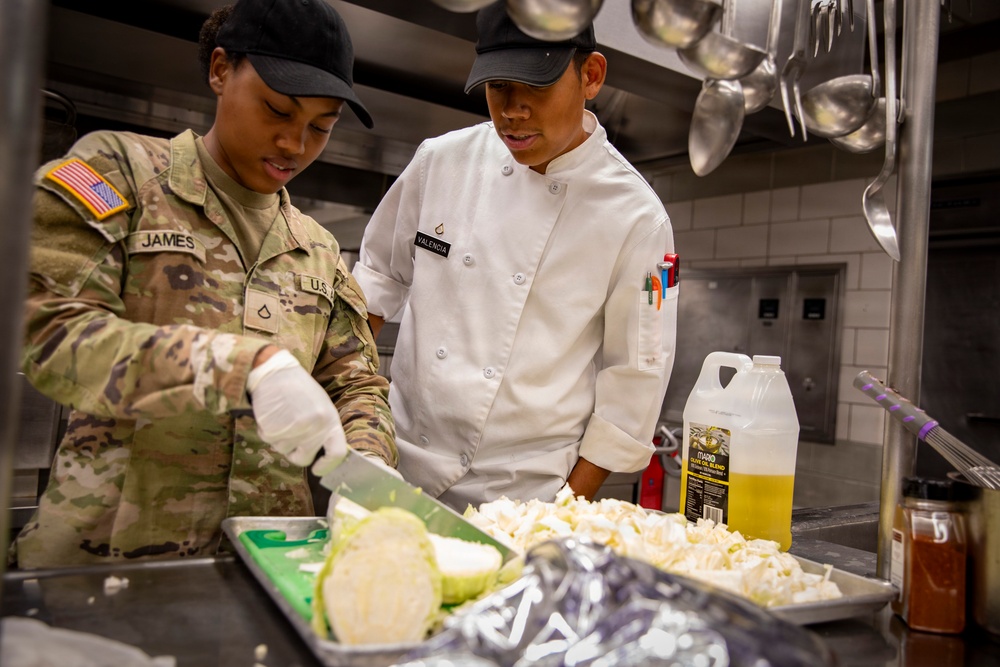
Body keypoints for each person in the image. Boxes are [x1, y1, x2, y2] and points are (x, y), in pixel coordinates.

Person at [12, 0, 396, 569]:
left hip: (268, 566)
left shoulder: (317, 248)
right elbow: (49, 332)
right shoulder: (119, 172)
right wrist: (246, 367)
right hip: (106, 560)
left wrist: (368, 464)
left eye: (320, 127)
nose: (295, 144)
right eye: (277, 111)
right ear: (221, 70)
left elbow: (357, 385)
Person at [354, 1, 677, 511]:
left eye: (538, 86)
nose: (513, 110)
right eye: (499, 87)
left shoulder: (639, 218)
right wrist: (350, 413)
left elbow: (636, 379)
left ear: (591, 76)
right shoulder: (440, 162)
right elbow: (375, 279)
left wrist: (560, 512)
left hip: (523, 498)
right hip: (395, 468)